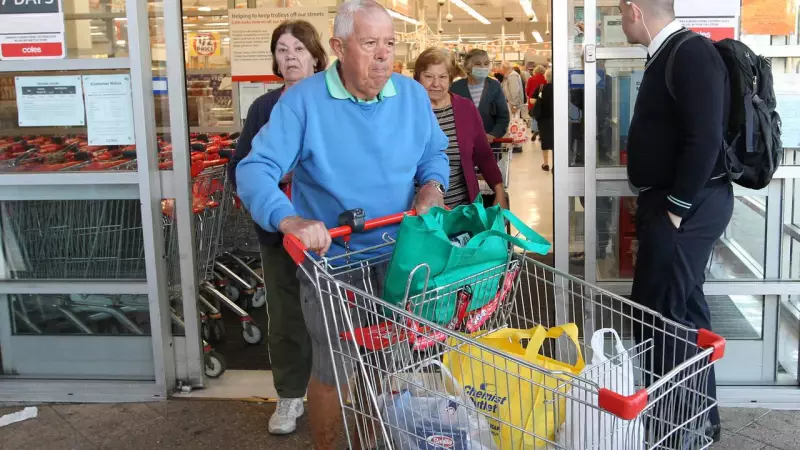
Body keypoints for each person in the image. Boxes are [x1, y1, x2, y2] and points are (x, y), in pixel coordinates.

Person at [236, 1, 449, 448]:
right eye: (369, 43)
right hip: (333, 260)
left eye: (389, 43)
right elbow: (254, 169)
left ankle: (372, 441)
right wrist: (289, 219)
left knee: (387, 367)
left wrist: (432, 187)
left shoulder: (411, 96)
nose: (383, 55)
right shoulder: (303, 101)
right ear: (338, 47)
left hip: (398, 256)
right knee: (335, 367)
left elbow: (433, 153)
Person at [621, 0, 730, 444]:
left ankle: (673, 430)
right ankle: (699, 419)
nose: (621, 20)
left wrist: (675, 209)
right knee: (684, 310)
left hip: (687, 206)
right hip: (675, 204)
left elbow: (705, 138)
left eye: (620, 10)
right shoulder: (668, 54)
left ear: (634, 10)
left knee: (660, 317)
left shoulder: (690, 53)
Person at [227, 19, 327, 436]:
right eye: (282, 50)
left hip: (331, 234)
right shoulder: (264, 108)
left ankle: (339, 391)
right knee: (286, 318)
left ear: (316, 56)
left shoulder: (332, 103)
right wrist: (270, 183)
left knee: (335, 315)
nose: (290, 58)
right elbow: (240, 165)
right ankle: (290, 394)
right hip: (280, 235)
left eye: (299, 49)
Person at [414, 47, 508, 210]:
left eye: (442, 77)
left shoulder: (465, 108)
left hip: (461, 210)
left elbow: (483, 154)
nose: (436, 83)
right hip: (417, 212)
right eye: (428, 76)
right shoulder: (409, 110)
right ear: (417, 78)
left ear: (450, 79)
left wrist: (499, 191)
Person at [450, 49, 510, 147]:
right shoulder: (455, 87)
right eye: (478, 64)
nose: (483, 67)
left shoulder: (494, 86)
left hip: (490, 146)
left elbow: (503, 116)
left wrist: (494, 134)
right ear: (468, 67)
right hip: (462, 145)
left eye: (486, 64)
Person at [530, 68, 553, 171]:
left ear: (546, 77)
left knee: (545, 140)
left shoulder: (541, 87)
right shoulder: (559, 88)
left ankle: (546, 164)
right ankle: (555, 165)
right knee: (555, 140)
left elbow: (532, 100)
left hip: (543, 118)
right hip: (556, 118)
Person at [526, 65, 547, 141]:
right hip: (542, 102)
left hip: (533, 102)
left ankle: (535, 130)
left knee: (534, 116)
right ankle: (541, 133)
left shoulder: (531, 79)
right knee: (542, 118)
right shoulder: (545, 79)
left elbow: (527, 91)